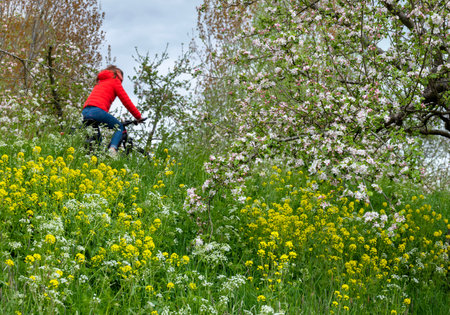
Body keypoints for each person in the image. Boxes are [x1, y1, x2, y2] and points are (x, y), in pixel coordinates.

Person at [82, 65, 143, 156]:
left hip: (86, 110)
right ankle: (112, 149)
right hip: (97, 111)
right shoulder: (115, 81)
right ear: (119, 75)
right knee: (119, 127)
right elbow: (126, 101)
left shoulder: (100, 81)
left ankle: (92, 158)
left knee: (97, 141)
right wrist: (138, 117)